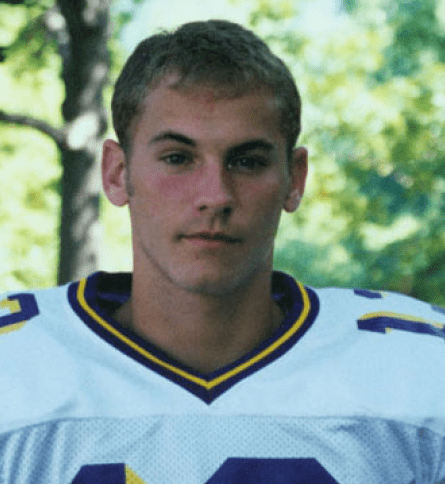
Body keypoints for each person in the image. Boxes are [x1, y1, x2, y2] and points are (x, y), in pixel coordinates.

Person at [0, 19, 444, 484]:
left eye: (247, 161)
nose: (215, 194)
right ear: (116, 174)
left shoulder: (422, 374)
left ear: (295, 179)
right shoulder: (16, 373)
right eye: (177, 158)